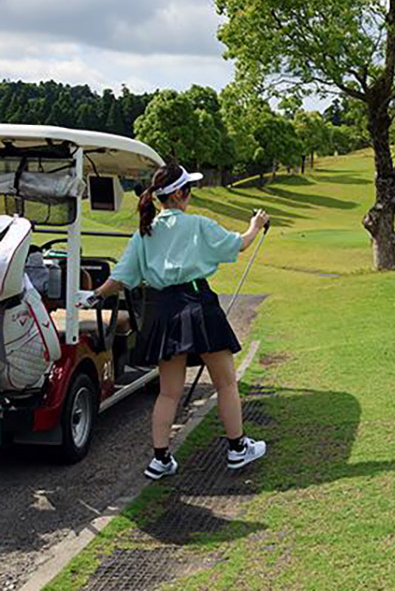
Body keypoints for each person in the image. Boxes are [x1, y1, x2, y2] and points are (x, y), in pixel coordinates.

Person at [82, 164, 270, 480]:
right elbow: (239, 244)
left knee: (169, 392)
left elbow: (121, 277)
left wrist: (94, 295)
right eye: (189, 190)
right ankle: (237, 449)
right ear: (181, 194)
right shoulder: (197, 224)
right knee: (225, 382)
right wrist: (256, 224)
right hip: (198, 303)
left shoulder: (145, 231)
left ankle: (160, 459)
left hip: (165, 310)